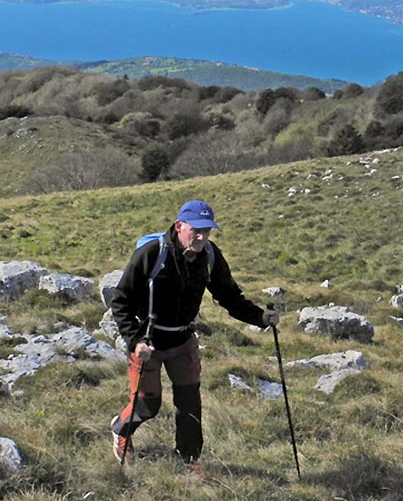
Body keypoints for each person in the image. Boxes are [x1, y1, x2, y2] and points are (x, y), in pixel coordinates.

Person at [109, 199, 279, 475]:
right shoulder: (153, 254)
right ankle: (121, 430)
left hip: (183, 341)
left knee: (189, 402)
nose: (201, 237)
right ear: (179, 226)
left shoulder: (210, 256)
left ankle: (188, 459)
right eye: (196, 230)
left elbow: (229, 296)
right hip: (148, 342)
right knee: (148, 404)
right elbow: (121, 300)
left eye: (207, 231)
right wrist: (135, 340)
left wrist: (260, 317)